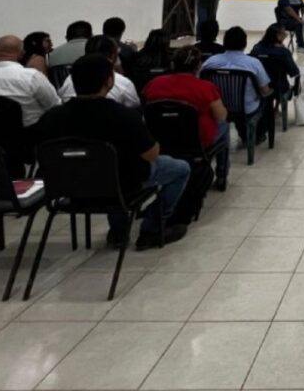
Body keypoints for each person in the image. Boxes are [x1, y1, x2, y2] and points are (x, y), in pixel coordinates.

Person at [30, 55, 191, 249]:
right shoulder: (124, 116)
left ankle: (118, 232)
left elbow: (36, 152)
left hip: (69, 190)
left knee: (108, 171)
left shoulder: (51, 117)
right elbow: (151, 155)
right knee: (180, 168)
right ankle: (152, 229)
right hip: (121, 186)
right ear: (109, 81)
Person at [143, 46, 231, 191]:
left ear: (173, 64)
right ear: (198, 66)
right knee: (225, 126)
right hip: (197, 140)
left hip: (160, 137)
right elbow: (221, 116)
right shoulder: (206, 87)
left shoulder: (154, 84)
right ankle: (221, 175)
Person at [200, 26, 272, 144]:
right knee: (266, 100)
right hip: (246, 108)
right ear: (245, 44)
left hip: (218, 107)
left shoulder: (210, 62)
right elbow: (265, 89)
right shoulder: (253, 63)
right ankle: (256, 134)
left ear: (224, 42)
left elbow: (200, 83)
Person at [58, 35, 140, 109]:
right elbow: (134, 105)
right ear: (113, 56)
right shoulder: (123, 83)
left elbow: (62, 98)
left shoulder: (69, 80)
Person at [250, 24, 300, 97]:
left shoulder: (256, 49)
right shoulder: (283, 52)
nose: (286, 35)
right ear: (278, 35)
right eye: (284, 33)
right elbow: (294, 72)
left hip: (258, 87)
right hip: (279, 88)